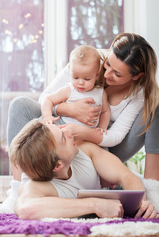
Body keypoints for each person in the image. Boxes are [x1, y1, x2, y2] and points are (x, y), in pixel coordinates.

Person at [1, 33, 159, 213]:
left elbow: (116, 139)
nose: (106, 74)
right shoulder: (86, 61)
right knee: (21, 105)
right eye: (107, 65)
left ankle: (153, 190)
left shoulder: (138, 95)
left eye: (116, 73)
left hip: (105, 141)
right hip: (65, 128)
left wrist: (85, 133)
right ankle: (15, 190)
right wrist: (69, 110)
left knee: (155, 104)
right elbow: (46, 98)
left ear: (137, 76)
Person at [9, 119, 157, 219]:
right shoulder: (37, 185)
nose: (69, 131)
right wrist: (95, 204)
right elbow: (25, 209)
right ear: (58, 166)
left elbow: (126, 176)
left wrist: (141, 204)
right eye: (63, 138)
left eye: (61, 129)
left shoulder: (85, 151)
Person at [42, 45, 110, 136]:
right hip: (63, 129)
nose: (80, 82)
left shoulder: (100, 92)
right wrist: (47, 116)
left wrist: (102, 127)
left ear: (97, 75)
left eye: (87, 79)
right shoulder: (69, 89)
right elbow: (48, 99)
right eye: (75, 77)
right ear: (70, 70)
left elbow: (105, 111)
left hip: (88, 135)